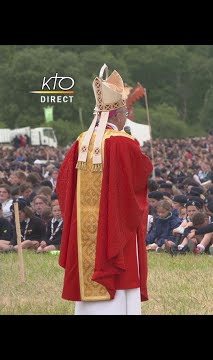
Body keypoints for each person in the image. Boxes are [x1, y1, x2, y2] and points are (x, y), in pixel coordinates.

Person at [56, 65, 153, 315]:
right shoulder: (124, 142)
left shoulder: (80, 142)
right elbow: (139, 180)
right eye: (124, 114)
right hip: (115, 226)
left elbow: (63, 184)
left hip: (86, 230)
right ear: (117, 115)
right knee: (120, 270)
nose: (125, 118)